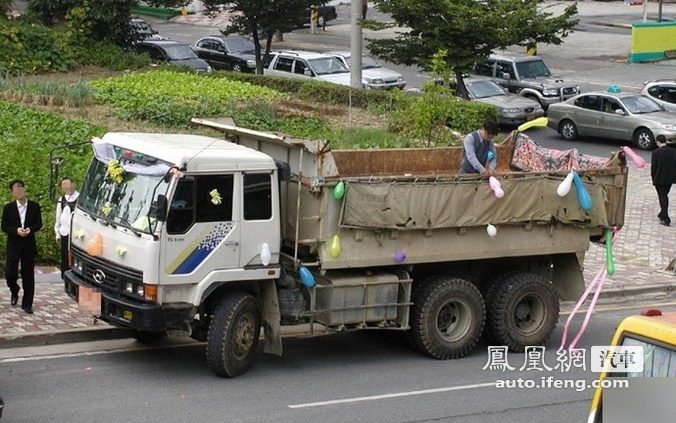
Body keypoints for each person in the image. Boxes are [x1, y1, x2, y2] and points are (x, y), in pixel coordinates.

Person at [1, 179, 43, 314]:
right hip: (14, 244)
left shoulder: (34, 206)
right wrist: (16, 231)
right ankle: (14, 290)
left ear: (24, 189)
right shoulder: (8, 208)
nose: (19, 191)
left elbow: (39, 223)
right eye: (16, 189)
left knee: (28, 275)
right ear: (12, 192)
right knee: (10, 274)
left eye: (21, 188)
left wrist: (30, 229)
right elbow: (4, 226)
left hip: (28, 245)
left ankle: (27, 304)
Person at [54, 177, 79, 279]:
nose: (66, 188)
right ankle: (64, 276)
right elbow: (58, 217)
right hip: (64, 231)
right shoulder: (62, 199)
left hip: (75, 233)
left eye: (67, 185)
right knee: (64, 255)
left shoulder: (79, 198)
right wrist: (57, 232)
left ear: (73, 184)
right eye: (63, 186)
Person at [651, 135, 676, 226]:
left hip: (659, 178)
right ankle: (662, 213)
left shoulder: (656, 152)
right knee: (664, 195)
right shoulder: (673, 151)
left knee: (662, 197)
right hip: (670, 178)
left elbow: (654, 167)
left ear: (658, 142)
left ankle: (665, 217)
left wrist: (653, 178)